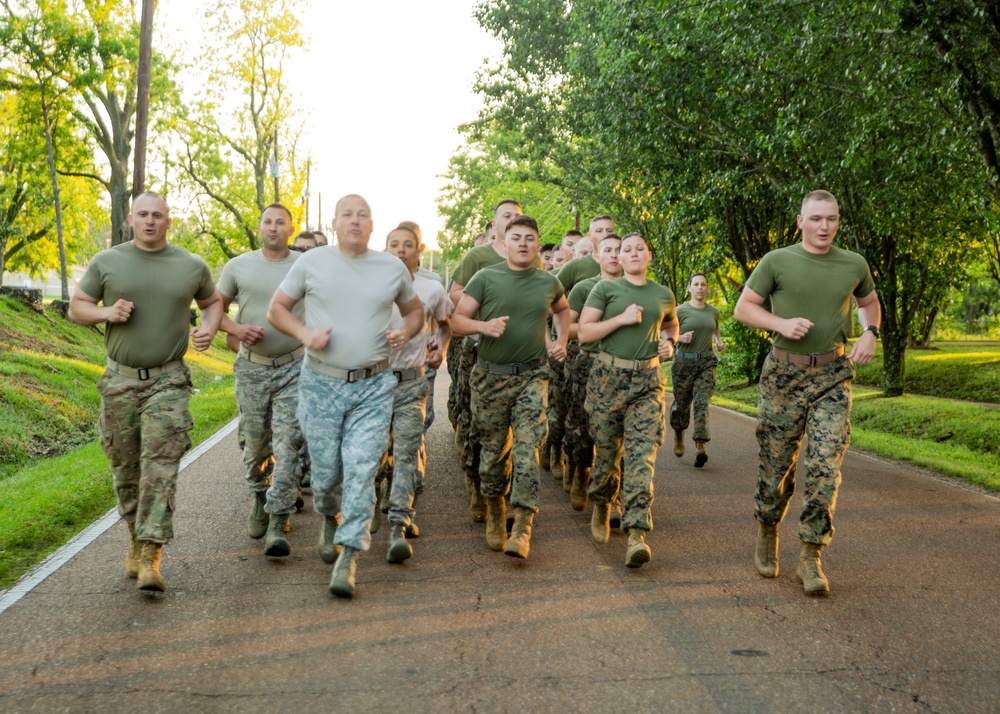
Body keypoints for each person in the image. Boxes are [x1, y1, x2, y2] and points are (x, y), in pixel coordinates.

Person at [267, 194, 423, 598]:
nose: (355, 221)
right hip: (320, 384)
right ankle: (328, 515)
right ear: (334, 223)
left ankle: (349, 557)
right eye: (347, 215)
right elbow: (278, 309)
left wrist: (404, 332)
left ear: (372, 225)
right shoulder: (311, 263)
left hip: (373, 385)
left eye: (363, 215)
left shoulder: (391, 267)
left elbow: (415, 312)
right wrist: (305, 336)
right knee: (325, 473)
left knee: (361, 467)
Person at [68, 192, 222, 592]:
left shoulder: (191, 265)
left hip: (168, 380)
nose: (150, 221)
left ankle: (152, 552)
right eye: (143, 215)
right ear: (129, 219)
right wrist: (105, 312)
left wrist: (207, 327)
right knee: (125, 467)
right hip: (119, 381)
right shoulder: (107, 262)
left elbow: (213, 301)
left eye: (157, 215)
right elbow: (77, 306)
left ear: (169, 220)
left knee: (161, 463)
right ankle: (136, 537)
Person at [734, 189, 880, 596]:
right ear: (800, 221)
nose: (824, 226)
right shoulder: (776, 261)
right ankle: (768, 524)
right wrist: (779, 324)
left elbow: (870, 303)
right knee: (776, 464)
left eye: (831, 219)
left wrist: (871, 331)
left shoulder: (854, 263)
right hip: (783, 374)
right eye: (816, 219)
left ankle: (811, 555)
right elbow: (743, 308)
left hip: (833, 374)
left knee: (824, 465)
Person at [452, 215, 569, 559]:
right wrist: (483, 327)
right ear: (503, 244)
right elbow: (457, 322)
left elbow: (563, 311)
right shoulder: (485, 278)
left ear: (537, 245)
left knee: (527, 447)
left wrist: (559, 340)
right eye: (515, 238)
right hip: (490, 377)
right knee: (492, 456)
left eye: (529, 238)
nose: (522, 243)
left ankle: (522, 526)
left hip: (533, 375)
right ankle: (496, 509)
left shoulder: (548, 282)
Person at [579, 232, 678, 569]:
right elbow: (584, 332)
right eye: (626, 250)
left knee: (641, 455)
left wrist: (669, 344)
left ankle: (637, 532)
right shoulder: (605, 289)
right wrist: (620, 319)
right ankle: (603, 503)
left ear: (649, 256)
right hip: (608, 380)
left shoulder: (663, 294)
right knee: (606, 453)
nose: (634, 254)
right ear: (618, 258)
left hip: (648, 382)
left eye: (640, 249)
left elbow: (671, 324)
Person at [218, 203, 305, 557]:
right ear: (259, 227)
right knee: (255, 446)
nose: (273, 227)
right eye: (267, 222)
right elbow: (214, 308)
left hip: (296, 367)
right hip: (252, 368)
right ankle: (259, 494)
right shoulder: (238, 266)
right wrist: (236, 328)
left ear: (291, 228)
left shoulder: (305, 264)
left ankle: (277, 518)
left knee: (288, 445)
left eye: (280, 222)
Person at [375, 224, 451, 563]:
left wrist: (441, 349)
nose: (401, 250)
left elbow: (446, 323)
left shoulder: (431, 289)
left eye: (408, 245)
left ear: (419, 249)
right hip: (371, 384)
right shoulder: (368, 284)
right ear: (385, 248)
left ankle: (399, 525)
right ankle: (376, 495)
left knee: (407, 453)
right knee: (375, 455)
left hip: (412, 382)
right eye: (395, 245)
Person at [448, 199, 524, 523]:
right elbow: (454, 294)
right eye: (506, 216)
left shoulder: (527, 259)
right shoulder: (477, 257)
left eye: (518, 217)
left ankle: (505, 495)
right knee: (473, 419)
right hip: (477, 347)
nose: (512, 221)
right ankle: (476, 487)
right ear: (494, 225)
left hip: (520, 354)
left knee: (514, 428)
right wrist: (482, 316)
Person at [563, 233, 622, 510]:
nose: (613, 255)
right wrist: (603, 327)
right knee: (583, 429)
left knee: (620, 434)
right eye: (607, 250)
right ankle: (581, 471)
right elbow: (568, 329)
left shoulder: (640, 289)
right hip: (589, 363)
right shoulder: (584, 289)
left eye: (618, 250)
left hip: (623, 367)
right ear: (596, 256)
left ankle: (615, 497)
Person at [670, 273, 726, 468]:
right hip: (683, 364)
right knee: (681, 405)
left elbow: (714, 329)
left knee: (702, 403)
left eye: (703, 284)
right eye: (696, 284)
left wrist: (718, 341)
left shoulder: (713, 311)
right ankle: (679, 432)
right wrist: (679, 338)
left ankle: (700, 445)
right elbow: (664, 331)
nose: (700, 288)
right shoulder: (679, 310)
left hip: (706, 362)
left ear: (707, 288)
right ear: (689, 288)